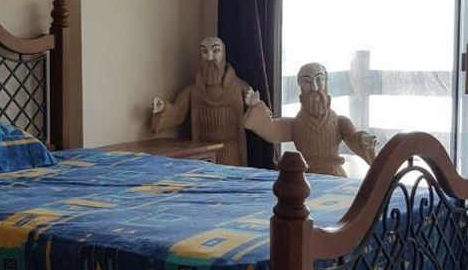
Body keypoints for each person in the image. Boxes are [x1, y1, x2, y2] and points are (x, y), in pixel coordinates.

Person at [243, 62, 377, 176]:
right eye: (307, 81)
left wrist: (364, 139)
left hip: (335, 176)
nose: (314, 87)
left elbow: (354, 139)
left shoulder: (340, 122)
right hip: (306, 177)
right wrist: (256, 106)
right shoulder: (295, 124)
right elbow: (272, 130)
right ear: (300, 86)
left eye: (319, 79)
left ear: (326, 82)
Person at [150, 37, 250, 166]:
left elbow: (261, 115)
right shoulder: (194, 90)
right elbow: (177, 111)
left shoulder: (240, 87)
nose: (209, 57)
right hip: (203, 154)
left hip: (231, 154)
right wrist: (163, 108)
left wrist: (255, 104)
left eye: (216, 51)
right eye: (204, 52)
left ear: (224, 54)